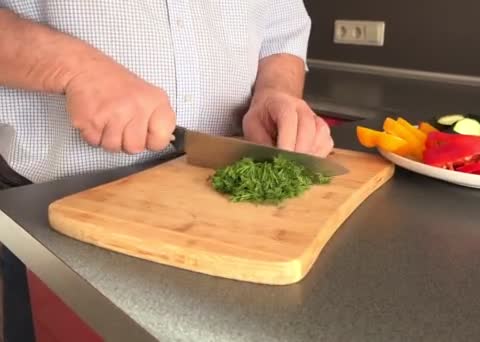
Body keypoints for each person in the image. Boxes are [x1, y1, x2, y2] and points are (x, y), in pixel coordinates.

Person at [0, 1, 333, 340]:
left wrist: (275, 91)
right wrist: (72, 68)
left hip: (228, 209)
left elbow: (281, 29)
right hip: (56, 211)